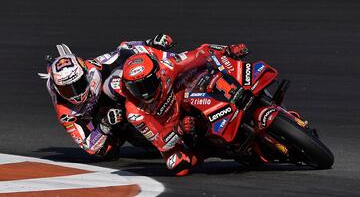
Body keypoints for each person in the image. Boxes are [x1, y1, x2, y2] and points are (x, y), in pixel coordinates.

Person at [109, 42, 248, 175]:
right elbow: (160, 143)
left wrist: (227, 50)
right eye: (136, 88)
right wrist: (179, 128)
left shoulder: (167, 66)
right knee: (179, 165)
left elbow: (200, 53)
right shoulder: (134, 112)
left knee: (206, 72)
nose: (144, 93)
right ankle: (209, 150)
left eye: (147, 84)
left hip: (184, 97)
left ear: (157, 75)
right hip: (173, 128)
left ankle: (239, 90)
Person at [43, 34, 175, 159]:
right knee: (105, 151)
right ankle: (128, 135)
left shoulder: (94, 68)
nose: (75, 94)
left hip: (116, 100)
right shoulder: (65, 113)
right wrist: (105, 125)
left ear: (86, 74)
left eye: (78, 84)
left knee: (114, 82)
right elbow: (89, 147)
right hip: (103, 120)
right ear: (57, 88)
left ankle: (173, 70)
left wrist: (150, 43)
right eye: (66, 90)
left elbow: (123, 49)